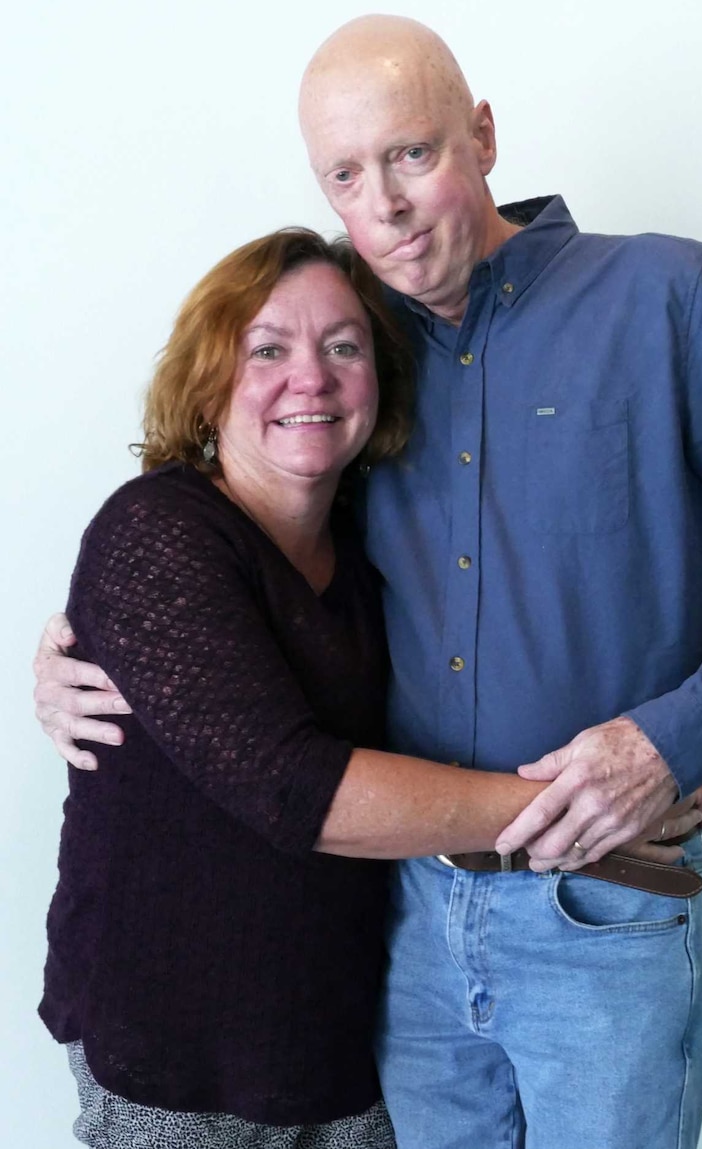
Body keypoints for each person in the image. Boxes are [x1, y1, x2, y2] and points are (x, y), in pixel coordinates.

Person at [36, 12, 702, 1148]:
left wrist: (668, 739)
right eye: (345, 175)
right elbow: (231, 556)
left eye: (411, 153)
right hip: (401, 918)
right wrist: (76, 648)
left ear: (480, 134)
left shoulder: (666, 299)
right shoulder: (354, 358)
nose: (386, 202)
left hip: (606, 898)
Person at [40, 224, 643, 1149]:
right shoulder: (156, 531)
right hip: (174, 1051)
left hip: (346, 1039)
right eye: (268, 349)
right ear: (208, 384)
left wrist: (657, 749)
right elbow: (291, 787)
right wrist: (579, 806)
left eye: (343, 346)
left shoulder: (378, 546)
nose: (310, 378)